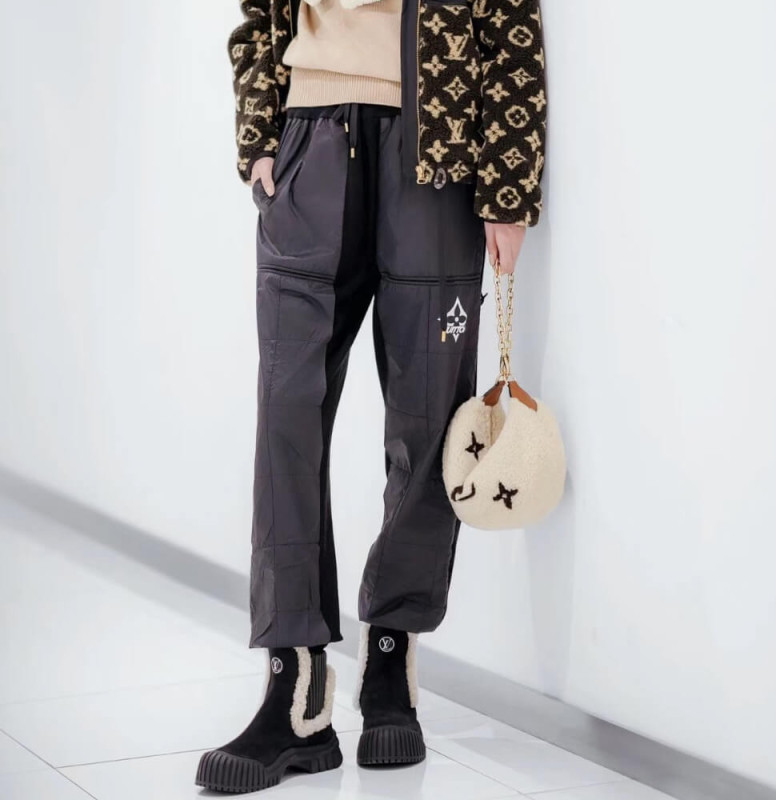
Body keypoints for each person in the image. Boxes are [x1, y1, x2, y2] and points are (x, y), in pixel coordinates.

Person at [196, 0, 547, 792]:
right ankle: (294, 689)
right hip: (308, 141)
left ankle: (391, 657)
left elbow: (510, 23)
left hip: (437, 152)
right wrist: (259, 135)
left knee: (427, 415)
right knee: (287, 416)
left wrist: (510, 183)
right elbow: (256, 16)